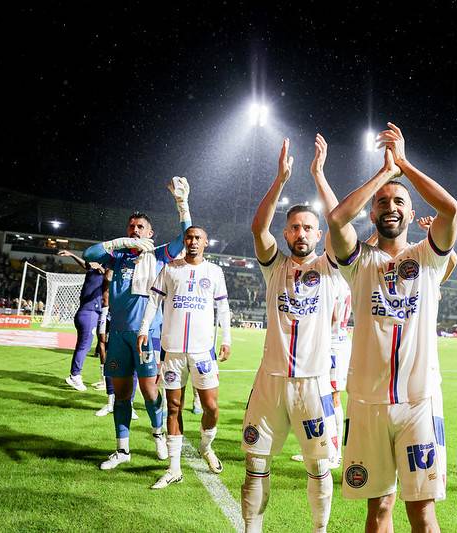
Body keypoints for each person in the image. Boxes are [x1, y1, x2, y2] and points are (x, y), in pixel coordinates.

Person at [327, 123, 457, 532]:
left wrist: (403, 165)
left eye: (399, 201)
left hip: (419, 402)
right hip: (367, 403)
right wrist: (384, 176)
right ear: (372, 212)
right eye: (383, 202)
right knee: (378, 510)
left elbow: (451, 209)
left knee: (421, 512)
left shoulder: (429, 259)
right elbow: (336, 218)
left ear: (412, 212)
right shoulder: (359, 261)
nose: (391, 206)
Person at [240, 136, 339, 533]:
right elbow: (257, 226)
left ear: (318, 235)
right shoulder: (274, 266)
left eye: (308, 228)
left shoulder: (333, 268)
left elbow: (341, 222)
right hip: (271, 381)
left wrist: (318, 175)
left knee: (317, 467)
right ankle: (251, 529)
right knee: (255, 465)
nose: (301, 232)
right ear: (286, 233)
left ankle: (319, 531)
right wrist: (280, 178)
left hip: (313, 386)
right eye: (294, 226)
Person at [83, 177, 192, 470]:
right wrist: (121, 242)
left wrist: (182, 205)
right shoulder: (117, 256)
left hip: (146, 335)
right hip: (118, 335)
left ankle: (157, 433)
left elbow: (187, 237)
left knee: (149, 391)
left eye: (140, 227)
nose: (135, 230)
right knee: (121, 394)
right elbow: (88, 254)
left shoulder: (157, 256)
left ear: (150, 232)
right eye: (131, 227)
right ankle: (122, 450)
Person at [138, 225, 232, 489]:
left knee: (211, 406)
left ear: (205, 243)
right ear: (185, 241)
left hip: (203, 351)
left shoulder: (214, 271)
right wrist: (144, 329)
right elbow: (154, 301)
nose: (192, 241)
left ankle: (205, 446)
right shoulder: (170, 268)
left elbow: (223, 307)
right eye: (189, 237)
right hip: (173, 351)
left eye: (198, 238)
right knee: (174, 406)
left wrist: (226, 339)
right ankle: (174, 467)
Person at [59, 249, 105, 392]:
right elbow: (92, 266)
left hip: (85, 313)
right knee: (84, 346)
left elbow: (86, 265)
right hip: (89, 313)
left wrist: (72, 255)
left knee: (83, 345)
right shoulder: (98, 271)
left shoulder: (92, 271)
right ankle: (75, 376)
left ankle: (76, 375)